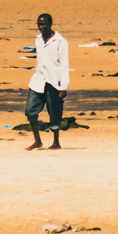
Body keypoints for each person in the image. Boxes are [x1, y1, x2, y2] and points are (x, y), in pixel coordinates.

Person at [24, 12, 69, 151]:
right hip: (38, 79)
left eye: (43, 24)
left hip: (54, 80)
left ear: (50, 24)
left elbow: (64, 65)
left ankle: (56, 142)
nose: (41, 27)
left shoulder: (61, 42)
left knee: (54, 112)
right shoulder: (38, 39)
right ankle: (37, 140)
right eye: (39, 24)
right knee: (30, 110)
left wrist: (63, 87)